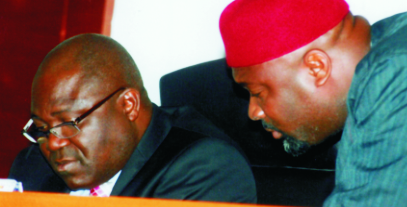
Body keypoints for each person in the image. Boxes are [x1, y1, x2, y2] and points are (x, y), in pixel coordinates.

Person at [219, 0, 407, 206]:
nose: (254, 112)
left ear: (316, 68)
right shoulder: (394, 52)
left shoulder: (400, 69)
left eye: (258, 93)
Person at [9, 33, 257, 203]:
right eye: (42, 128)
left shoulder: (204, 168)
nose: (53, 143)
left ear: (128, 105)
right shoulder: (32, 167)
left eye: (67, 124)